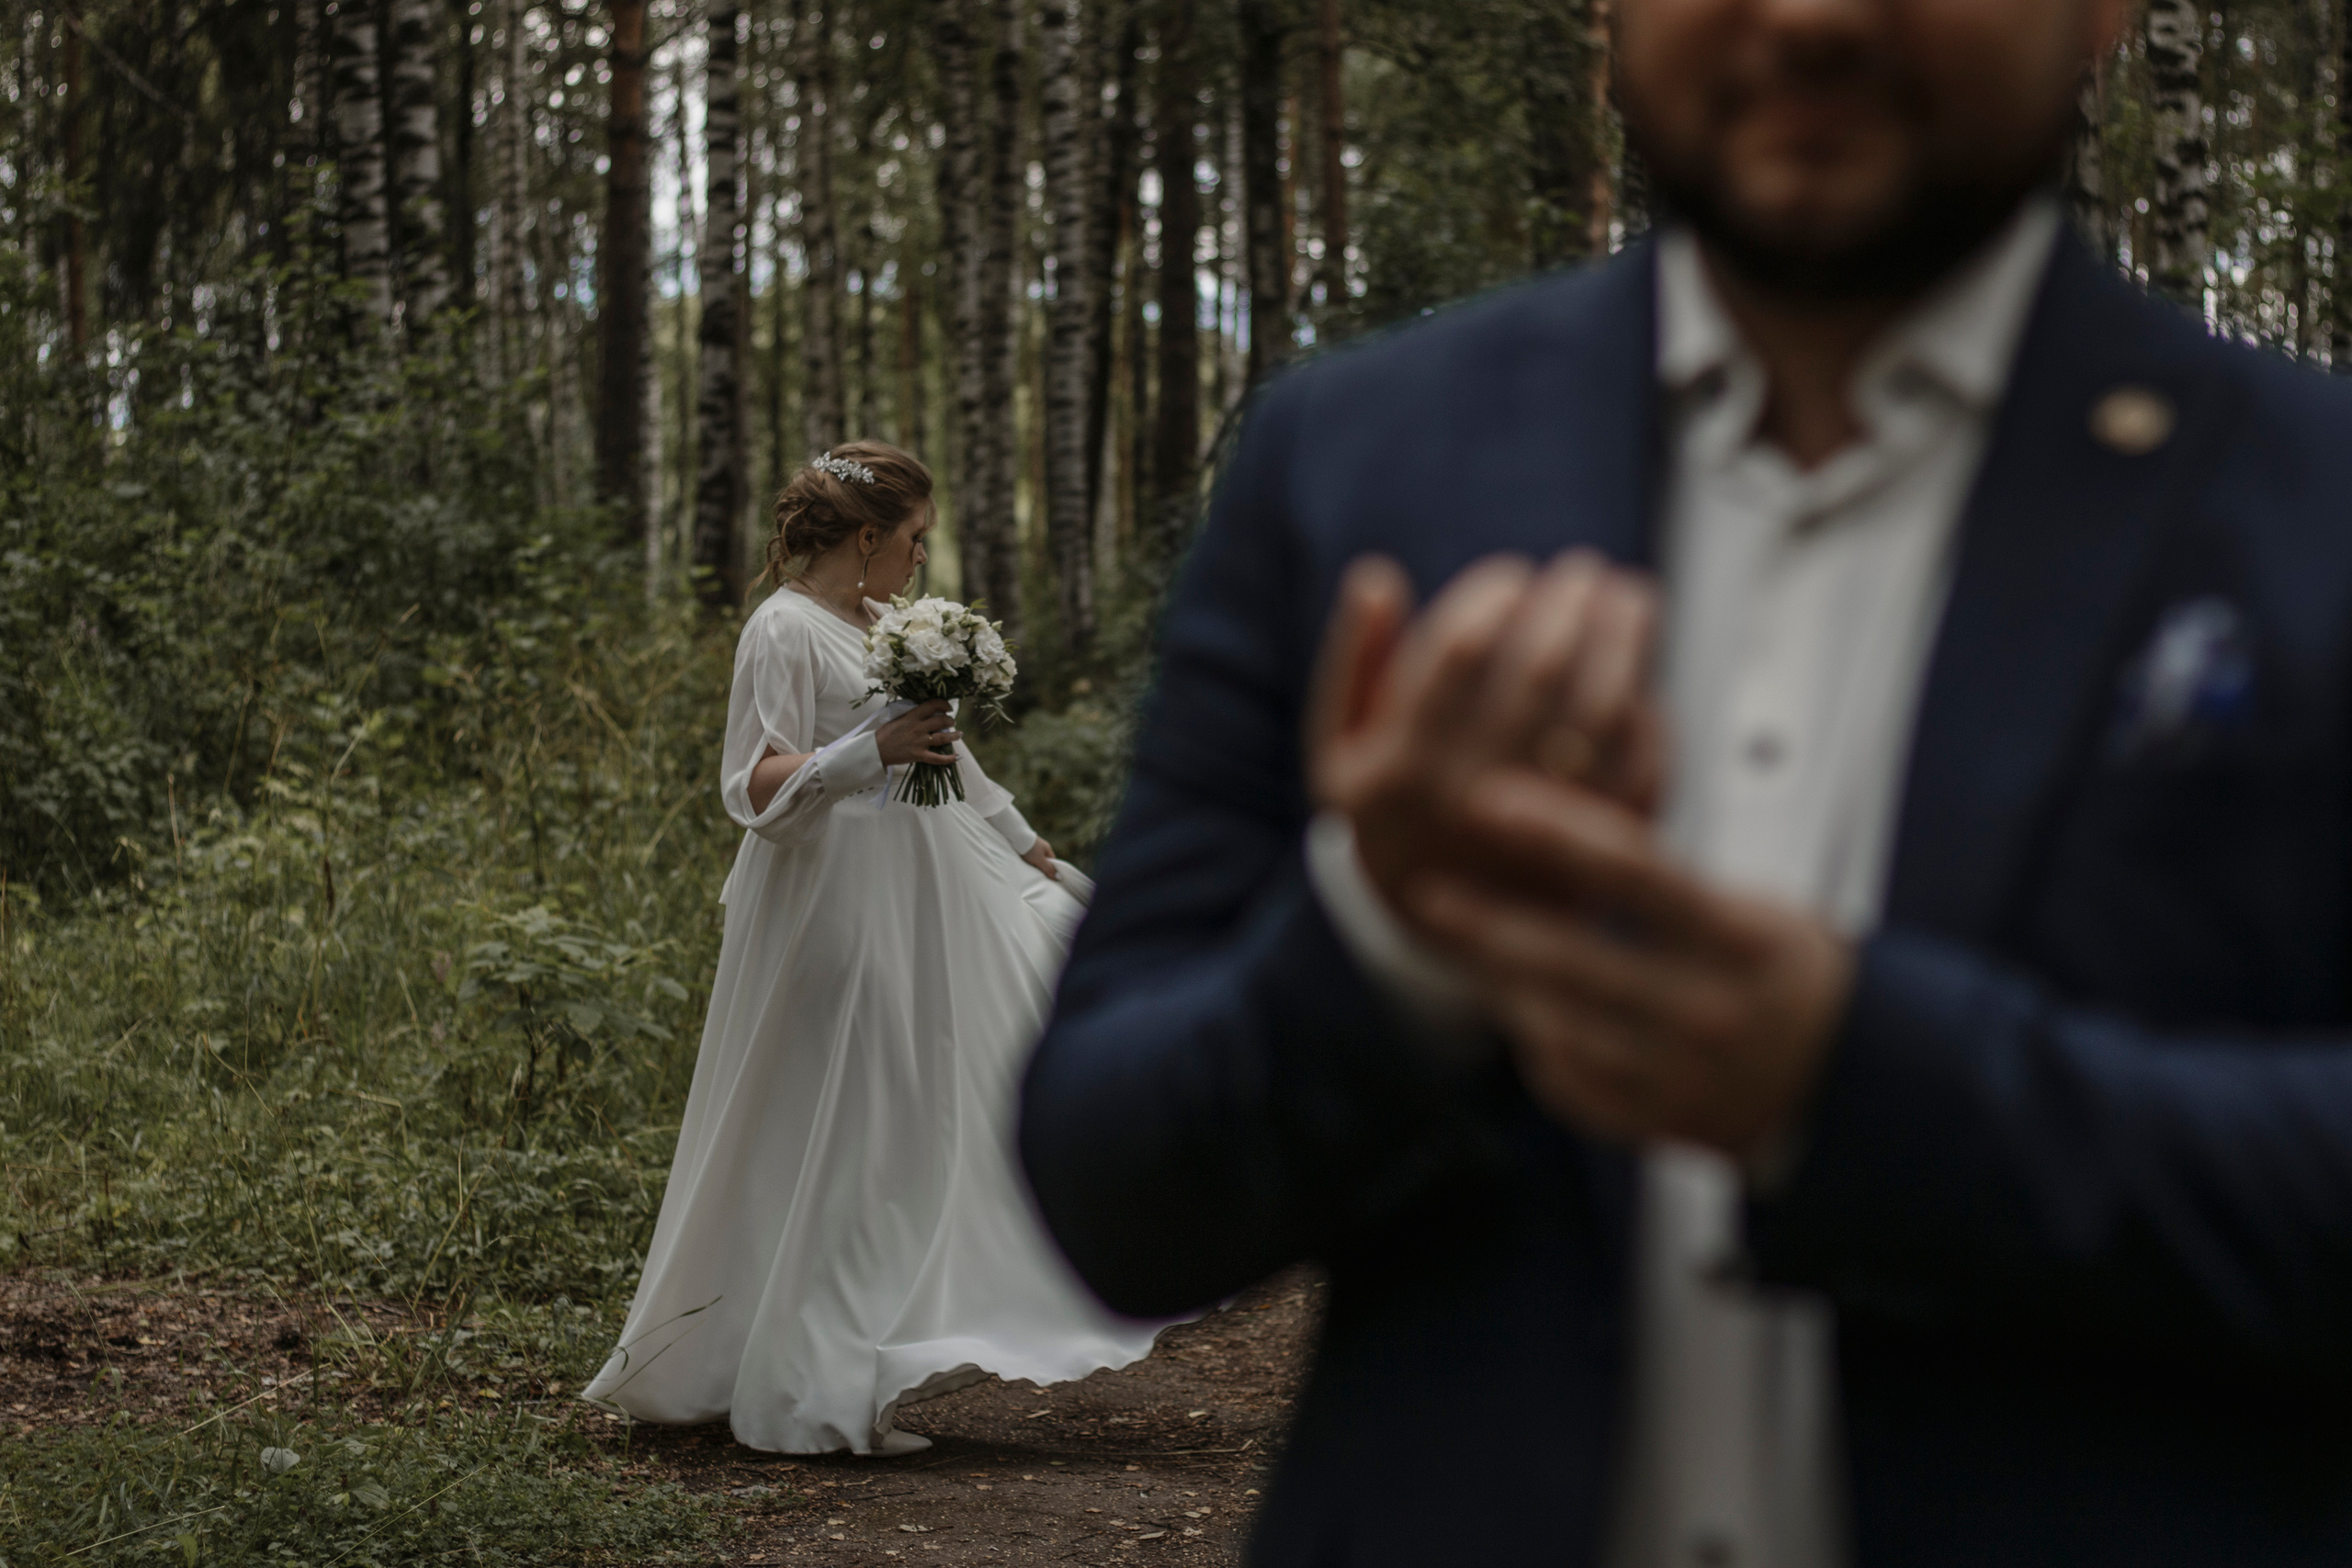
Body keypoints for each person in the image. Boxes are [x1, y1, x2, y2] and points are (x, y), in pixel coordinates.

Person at [1021, 0, 2352, 1561]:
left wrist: (1857, 1083)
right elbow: (1110, 1192)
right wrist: (1384, 932)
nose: (1809, 16)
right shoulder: (1354, 459)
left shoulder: (2312, 504)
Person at [583, 441, 1162, 1455]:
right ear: (864, 538)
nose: (919, 561)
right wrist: (866, 753)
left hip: (923, 889)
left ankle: (878, 1340)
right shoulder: (783, 630)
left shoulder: (890, 625)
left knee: (919, 1105)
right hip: (832, 901)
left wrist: (1023, 843)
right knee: (839, 1116)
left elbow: (950, 752)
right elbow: (752, 782)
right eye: (913, 542)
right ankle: (812, 1380)